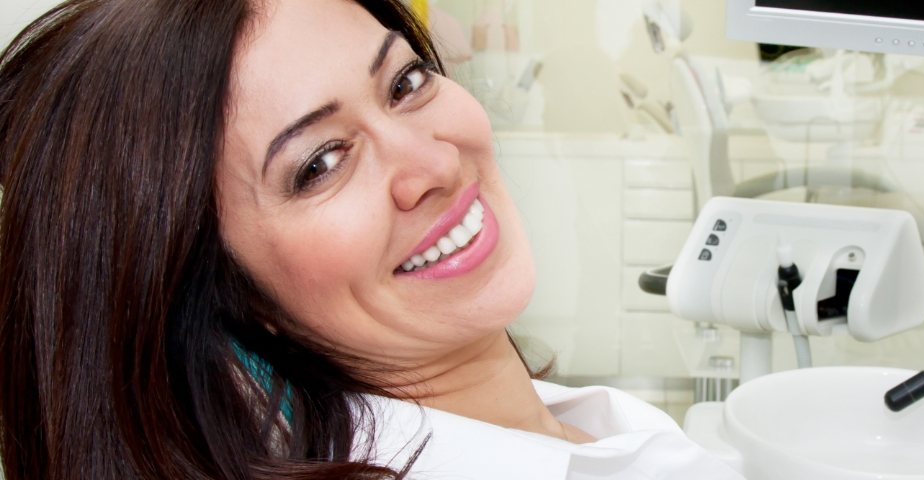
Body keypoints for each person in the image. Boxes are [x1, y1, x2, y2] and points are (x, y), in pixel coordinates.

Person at [0, 0, 742, 478]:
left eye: (404, 83)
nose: (433, 163)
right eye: (320, 163)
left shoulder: (563, 427)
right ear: (225, 297)